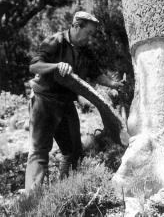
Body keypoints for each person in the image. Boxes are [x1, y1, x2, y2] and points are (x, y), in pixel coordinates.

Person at [25, 11, 124, 195]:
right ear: (76, 26)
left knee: (73, 151)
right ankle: (32, 199)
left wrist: (113, 84)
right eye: (89, 32)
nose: (90, 38)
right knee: (39, 151)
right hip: (43, 100)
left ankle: (64, 193)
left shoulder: (86, 52)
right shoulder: (56, 42)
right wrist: (56, 66)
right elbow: (34, 66)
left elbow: (96, 74)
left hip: (66, 103)